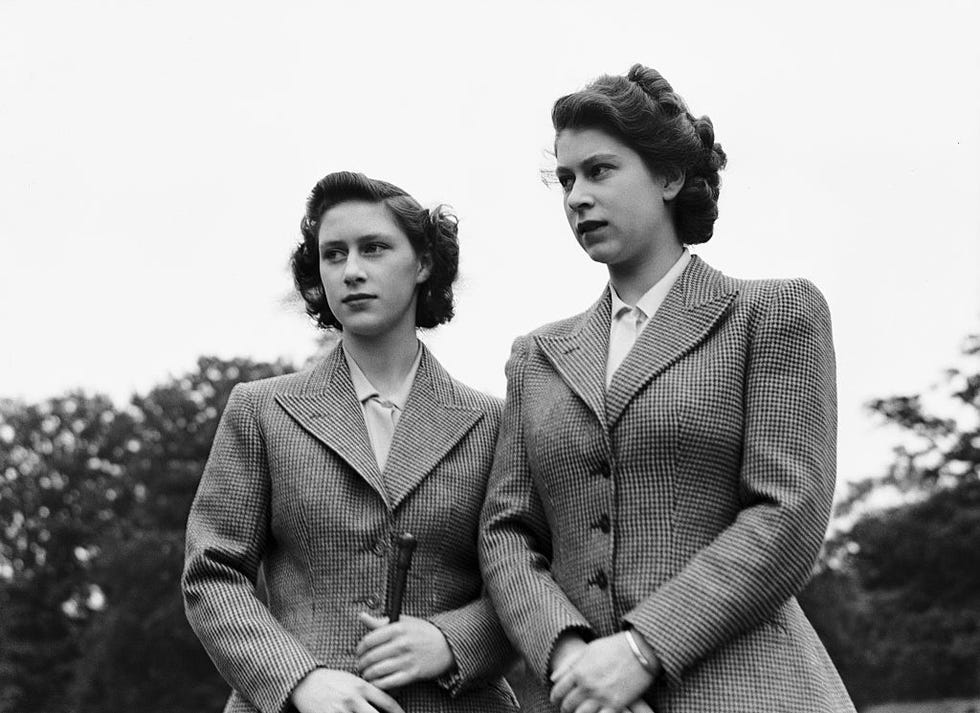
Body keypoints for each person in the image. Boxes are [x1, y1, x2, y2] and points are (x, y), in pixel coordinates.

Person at [479, 65, 856, 713]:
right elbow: (507, 533)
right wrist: (570, 659)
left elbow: (787, 512)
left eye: (599, 171)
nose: (576, 197)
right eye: (565, 179)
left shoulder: (773, 313)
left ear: (669, 177)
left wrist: (640, 649)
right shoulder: (536, 356)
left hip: (754, 689)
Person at [183, 171, 517, 713]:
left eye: (374, 248)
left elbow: (527, 577)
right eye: (333, 254)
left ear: (424, 263)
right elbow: (212, 572)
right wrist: (299, 681)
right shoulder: (261, 409)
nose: (352, 271)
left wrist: (452, 641)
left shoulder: (494, 422)